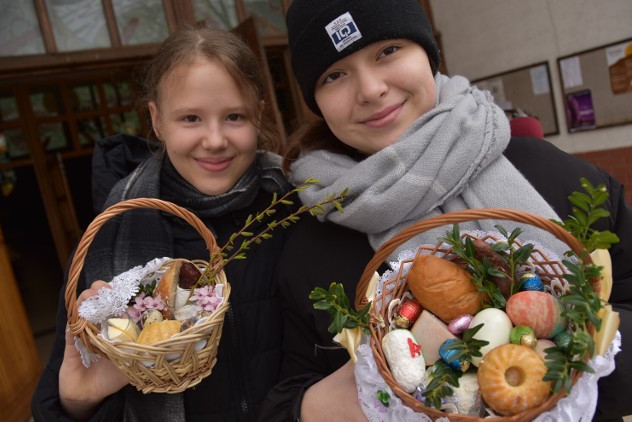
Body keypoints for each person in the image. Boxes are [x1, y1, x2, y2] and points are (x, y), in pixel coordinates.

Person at [258, 1, 632, 421]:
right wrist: (345, 401)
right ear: (317, 101)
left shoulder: (551, 173)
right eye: (335, 75)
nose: (371, 89)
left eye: (387, 51)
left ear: (428, 52)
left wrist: (581, 385)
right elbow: (287, 396)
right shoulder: (312, 241)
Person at [32, 26, 295, 421]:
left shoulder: (295, 207)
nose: (214, 139)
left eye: (234, 116)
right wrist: (78, 399)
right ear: (156, 119)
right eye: (190, 117)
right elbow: (62, 396)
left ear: (259, 113)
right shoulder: (111, 232)